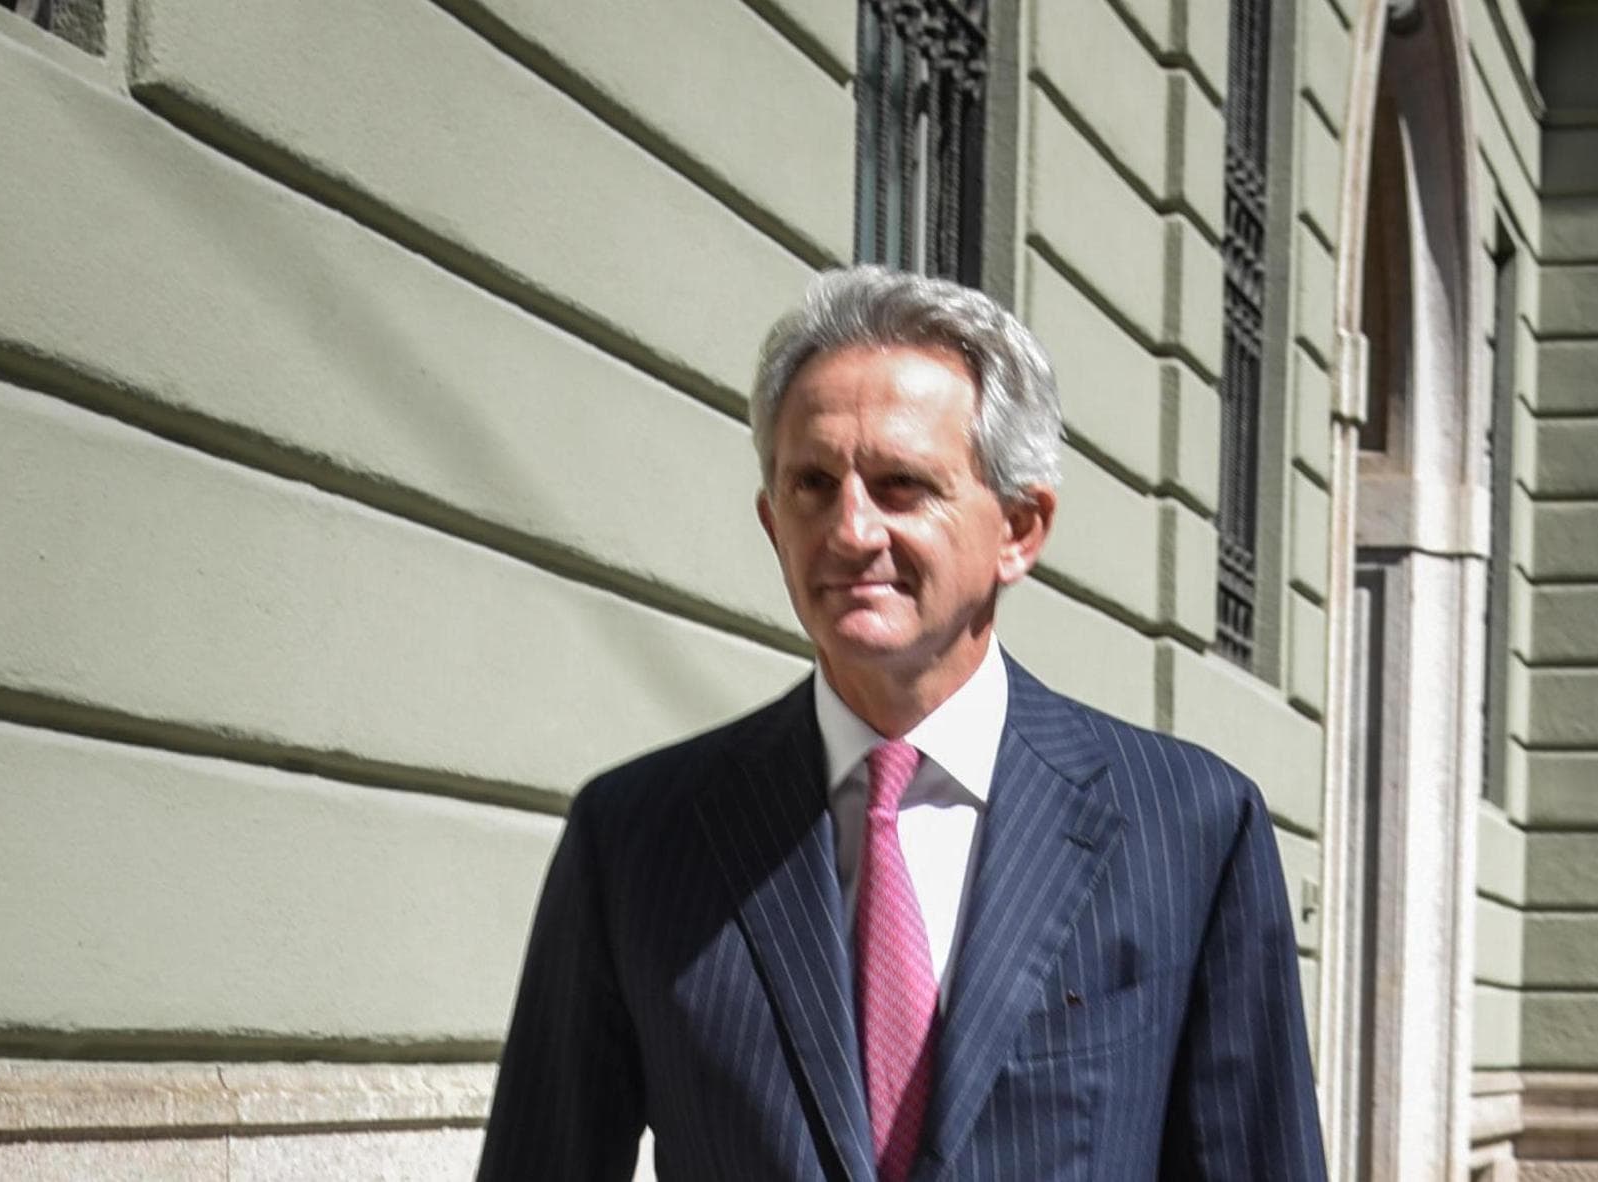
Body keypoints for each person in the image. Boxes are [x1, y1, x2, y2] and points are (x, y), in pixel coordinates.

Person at [478, 266, 1325, 1181]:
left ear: (1020, 528)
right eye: (812, 484)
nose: (850, 531)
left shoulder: (1187, 828)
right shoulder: (637, 839)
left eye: (902, 485)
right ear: (772, 522)